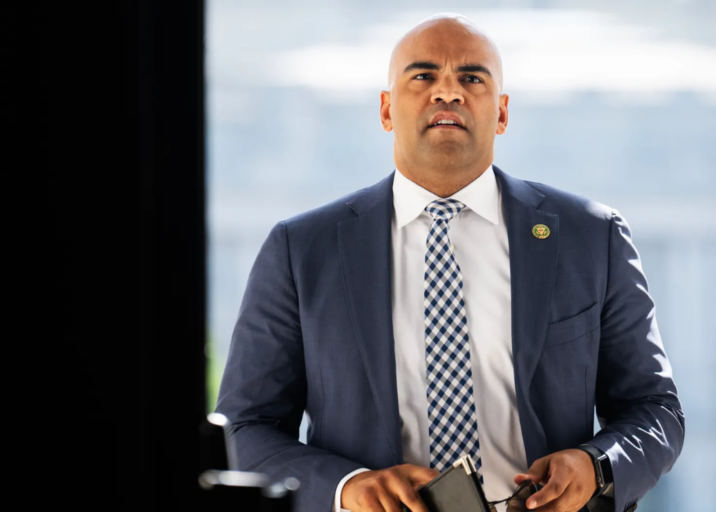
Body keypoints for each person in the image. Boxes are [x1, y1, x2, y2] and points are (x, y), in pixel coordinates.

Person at [216, 13, 685, 512]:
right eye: (423, 76)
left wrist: (596, 466)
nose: (448, 92)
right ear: (386, 110)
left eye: (472, 78)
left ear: (501, 113)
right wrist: (349, 487)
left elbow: (655, 410)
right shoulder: (300, 250)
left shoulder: (591, 237)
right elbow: (246, 428)